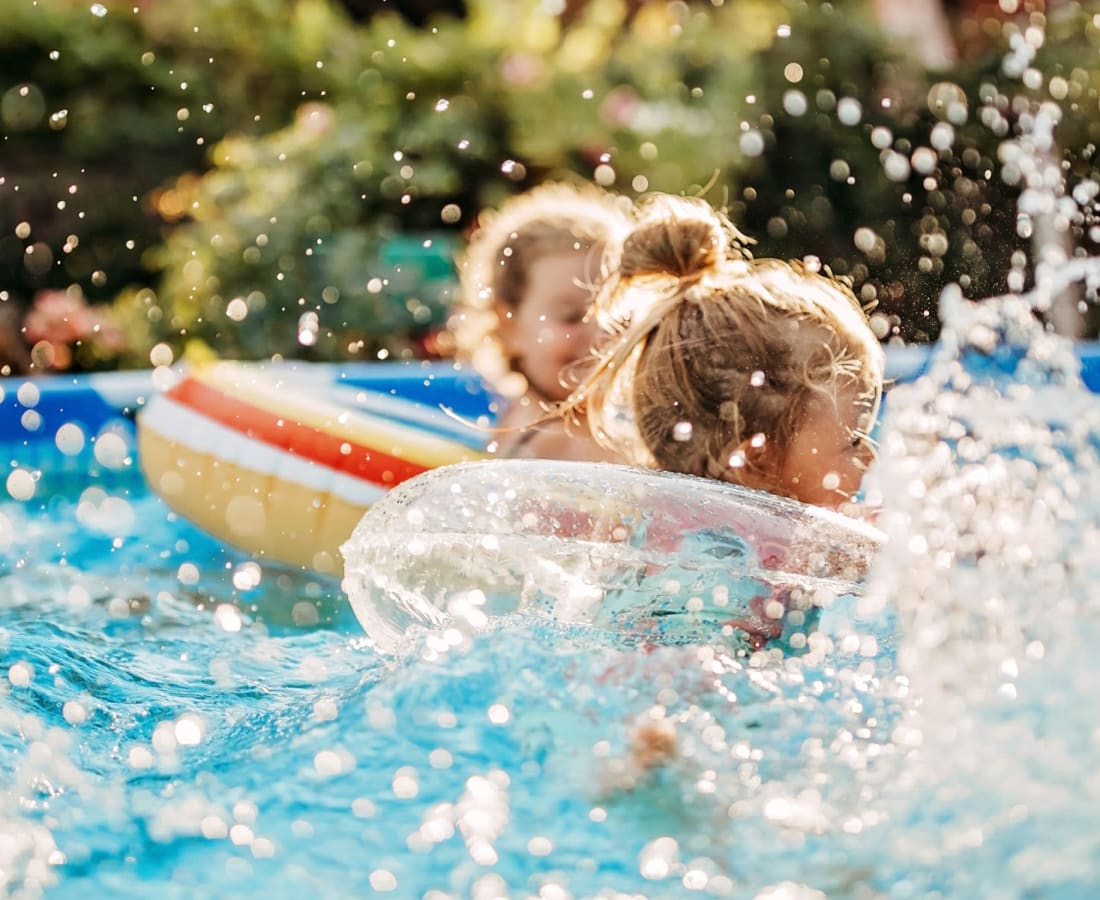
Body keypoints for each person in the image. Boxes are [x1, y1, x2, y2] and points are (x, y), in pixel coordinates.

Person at [555, 192, 886, 778]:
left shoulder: (655, 527)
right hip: (690, 700)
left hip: (599, 689)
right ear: (753, 457)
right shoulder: (748, 552)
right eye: (853, 435)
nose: (869, 452)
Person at [452, 182, 631, 460]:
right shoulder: (554, 442)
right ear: (508, 325)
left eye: (618, 313)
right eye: (572, 317)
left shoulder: (513, 425)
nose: (601, 334)